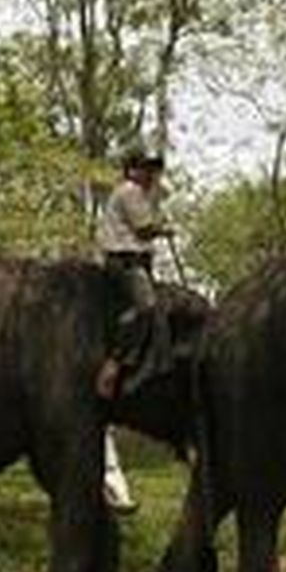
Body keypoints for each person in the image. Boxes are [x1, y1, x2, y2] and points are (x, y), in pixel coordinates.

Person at [94, 148, 173, 399]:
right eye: (145, 168)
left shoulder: (139, 194)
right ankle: (114, 364)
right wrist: (164, 230)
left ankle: (152, 366)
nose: (151, 174)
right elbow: (143, 229)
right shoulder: (130, 191)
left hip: (136, 261)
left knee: (158, 310)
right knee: (146, 307)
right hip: (125, 262)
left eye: (153, 169)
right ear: (131, 170)